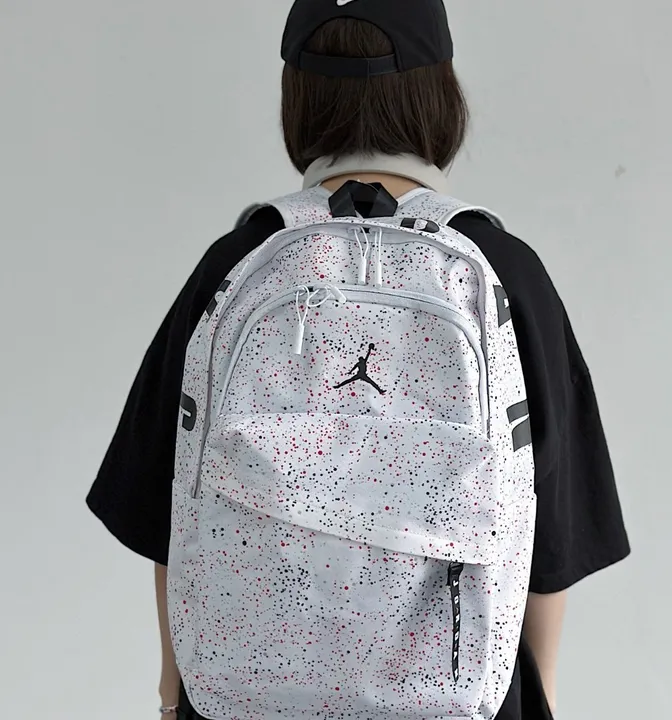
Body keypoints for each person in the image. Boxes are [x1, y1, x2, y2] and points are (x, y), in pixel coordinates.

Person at [86, 2, 630, 719]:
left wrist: (171, 693)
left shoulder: (236, 262)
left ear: (298, 97)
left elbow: (169, 511)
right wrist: (541, 696)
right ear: (440, 93)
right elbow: (551, 534)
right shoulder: (505, 270)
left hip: (242, 699)